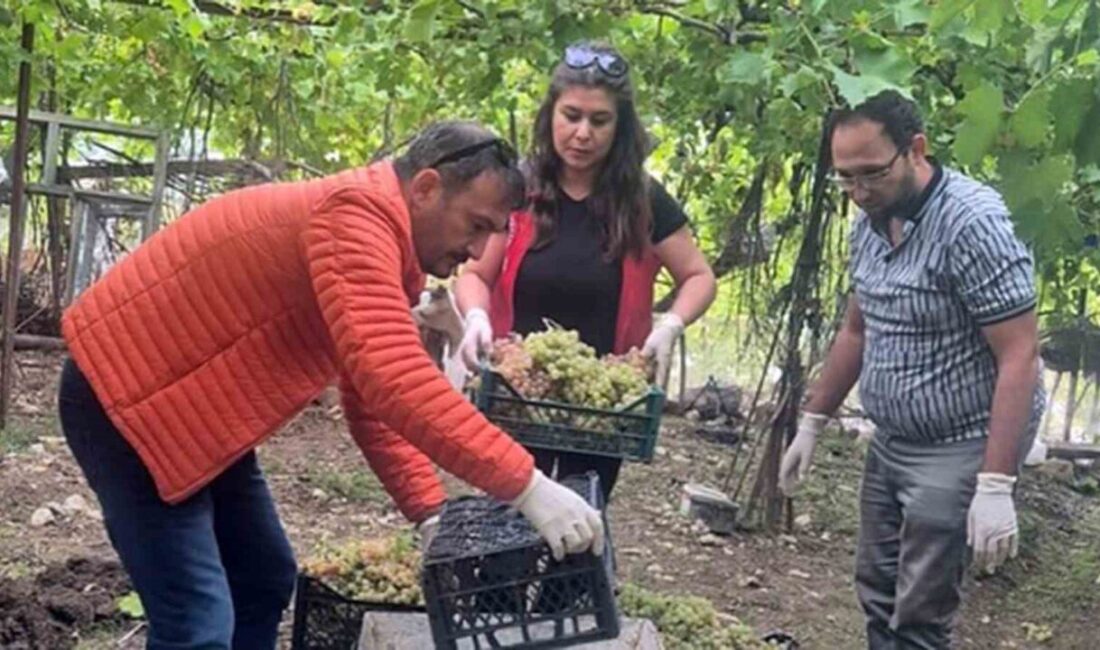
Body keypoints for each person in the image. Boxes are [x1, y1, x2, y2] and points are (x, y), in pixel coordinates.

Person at [58, 121, 604, 650]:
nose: (479, 251)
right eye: (477, 224)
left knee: (263, 578)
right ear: (427, 188)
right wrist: (527, 485)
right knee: (196, 623)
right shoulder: (353, 218)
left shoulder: (384, 243)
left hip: (190, 412)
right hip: (127, 399)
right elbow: (393, 379)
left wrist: (430, 513)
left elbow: (371, 398)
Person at [777, 91, 1044, 649]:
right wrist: (812, 421)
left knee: (921, 611)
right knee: (877, 589)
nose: (857, 191)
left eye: (870, 174)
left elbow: (1019, 353)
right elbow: (858, 328)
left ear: (915, 150)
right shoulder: (869, 223)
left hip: (960, 442)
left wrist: (995, 484)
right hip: (893, 440)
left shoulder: (972, 225)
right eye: (844, 179)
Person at [454, 42, 716, 500]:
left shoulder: (643, 200)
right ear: (550, 114)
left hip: (601, 411)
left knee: (578, 528)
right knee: (506, 524)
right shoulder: (519, 188)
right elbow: (476, 274)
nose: (582, 133)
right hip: (517, 395)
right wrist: (475, 317)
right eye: (571, 115)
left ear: (620, 127)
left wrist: (671, 324)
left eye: (599, 121)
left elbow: (699, 277)